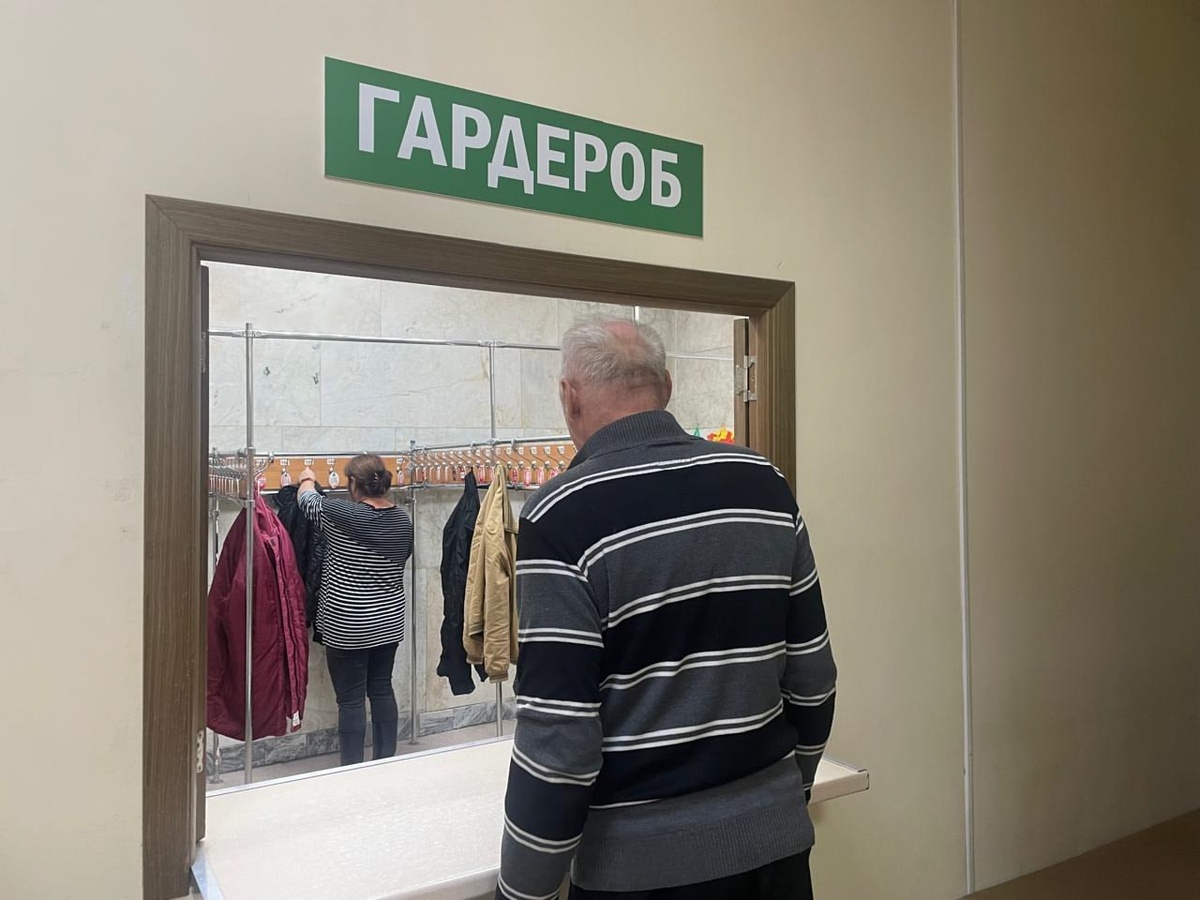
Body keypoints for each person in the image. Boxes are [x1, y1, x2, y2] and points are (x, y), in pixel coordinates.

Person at [497, 321, 837, 900]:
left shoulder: (559, 516)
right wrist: (784, 792)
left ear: (569, 396)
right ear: (668, 386)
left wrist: (523, 892)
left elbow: (560, 747)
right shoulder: (764, 483)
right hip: (776, 856)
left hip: (640, 873)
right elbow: (813, 677)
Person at [298, 454, 413, 766]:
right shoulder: (403, 520)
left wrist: (307, 476)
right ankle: (385, 762)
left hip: (347, 623)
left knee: (350, 700)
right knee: (382, 688)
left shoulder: (343, 513)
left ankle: (352, 771)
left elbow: (306, 500)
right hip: (388, 622)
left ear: (353, 484)